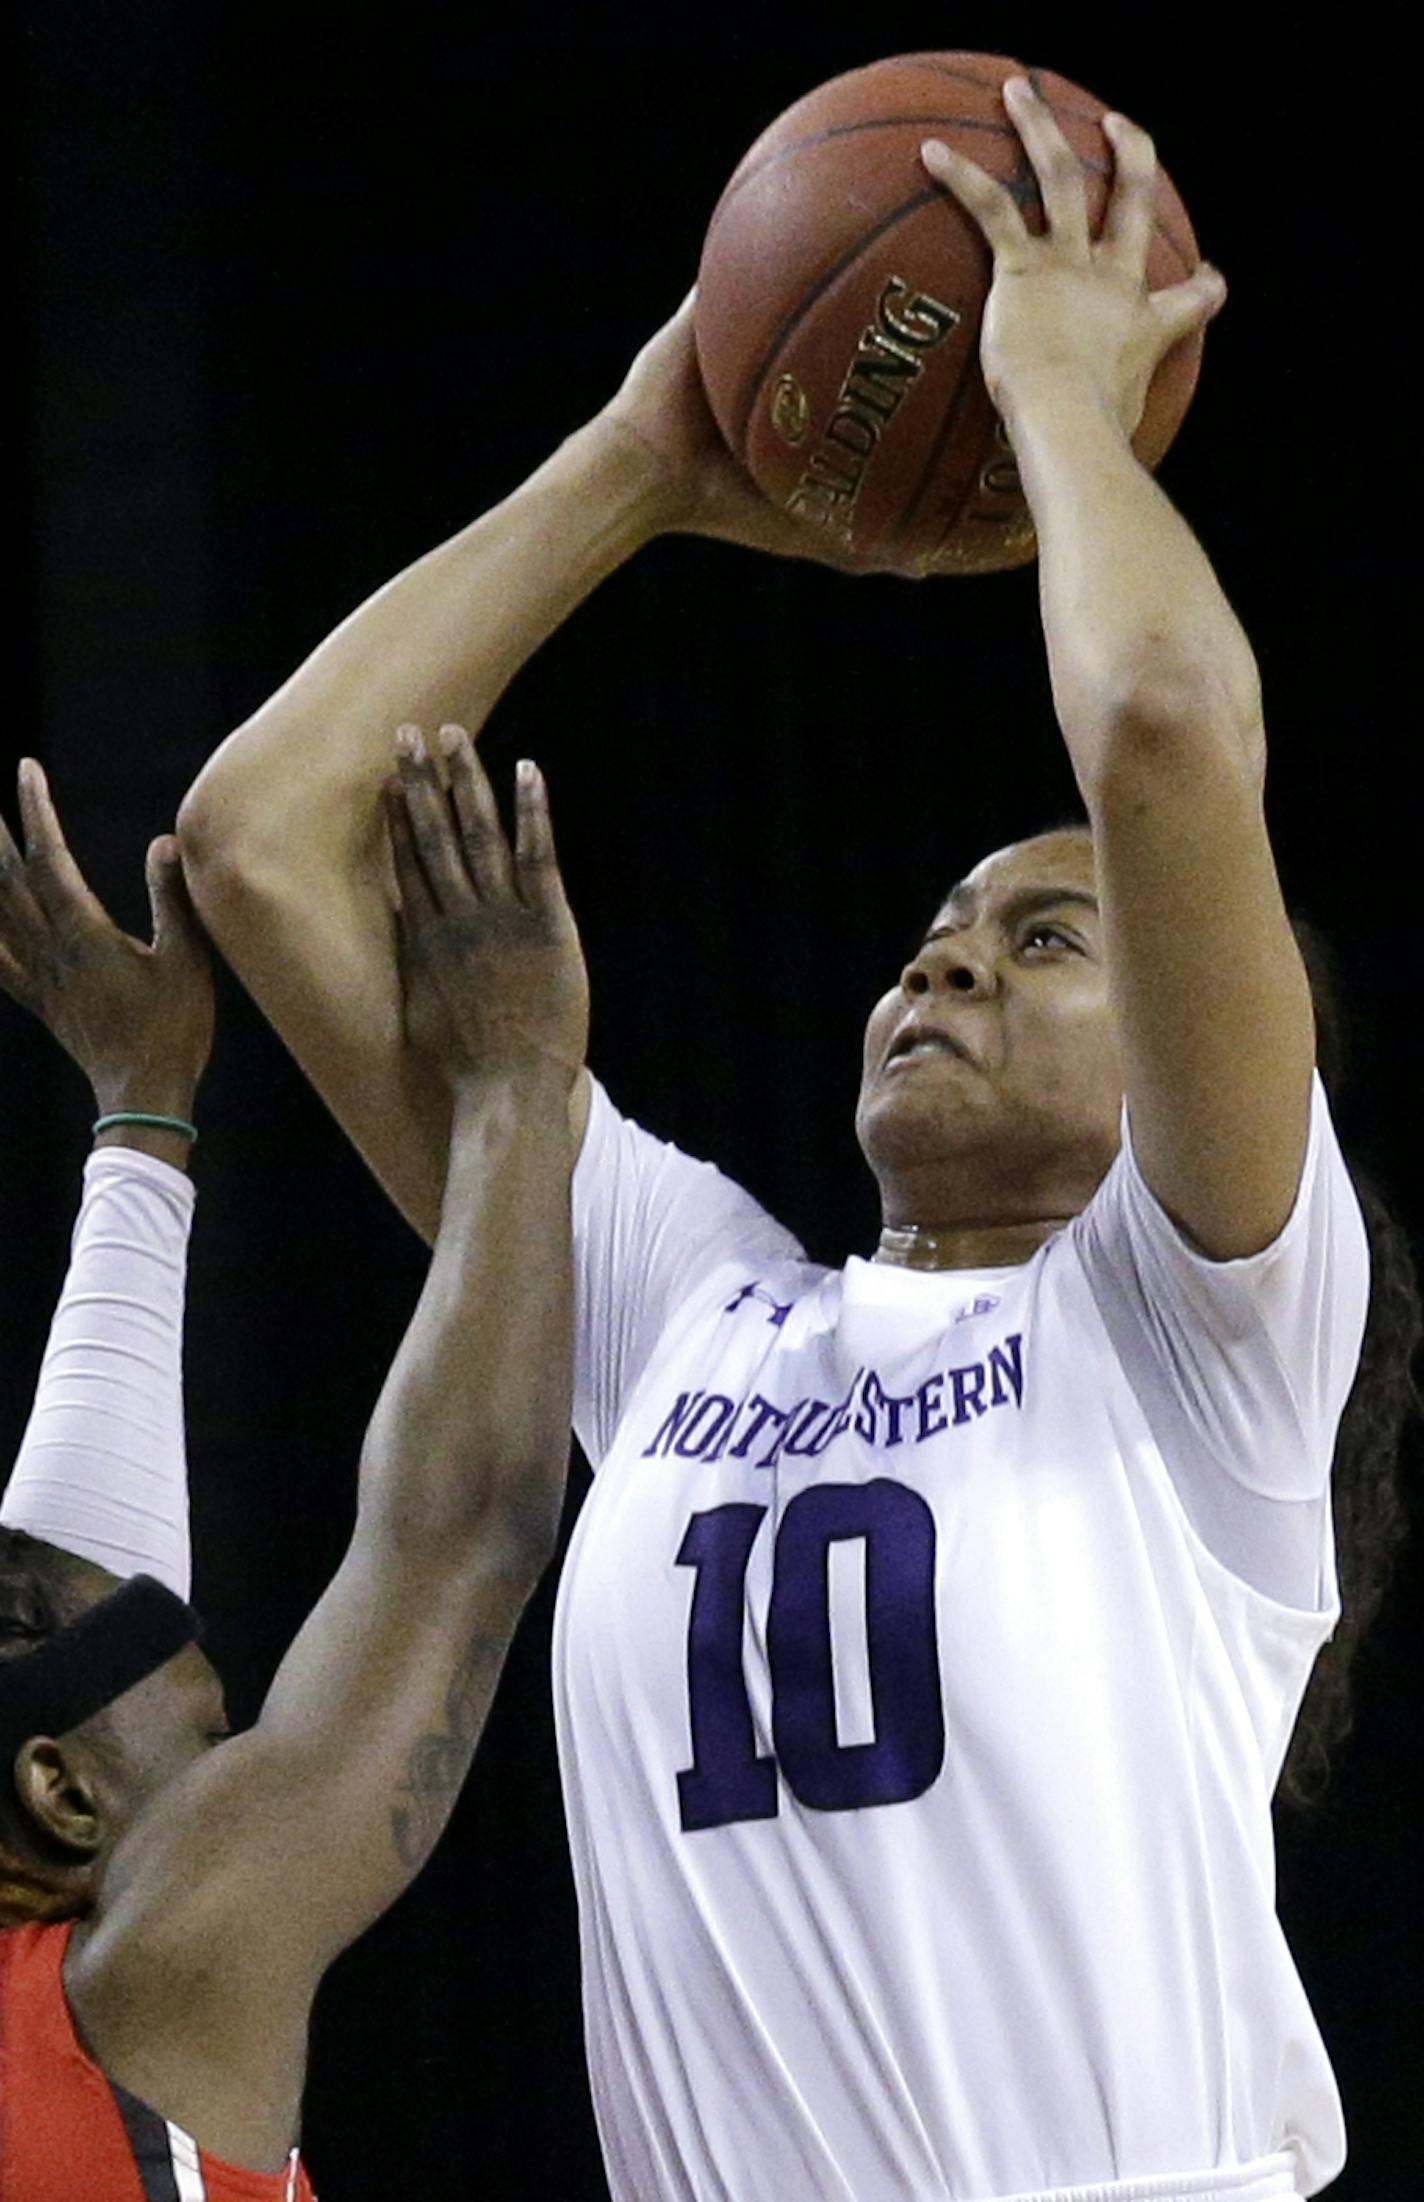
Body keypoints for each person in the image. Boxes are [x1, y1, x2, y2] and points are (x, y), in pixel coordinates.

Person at [176, 80, 1414, 2202]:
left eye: (1041, 938)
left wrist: (1051, 401)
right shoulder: (694, 1314)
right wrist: (638, 462)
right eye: (932, 938)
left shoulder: (1203, 1337)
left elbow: (1162, 729)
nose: (942, 971)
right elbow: (258, 837)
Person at [0, 738, 584, 2197]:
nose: (250, 1770)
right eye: (224, 1758)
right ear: (62, 1797)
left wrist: (145, 1112)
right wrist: (515, 1078)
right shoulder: (146, 1982)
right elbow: (460, 1538)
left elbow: (74, 1597)